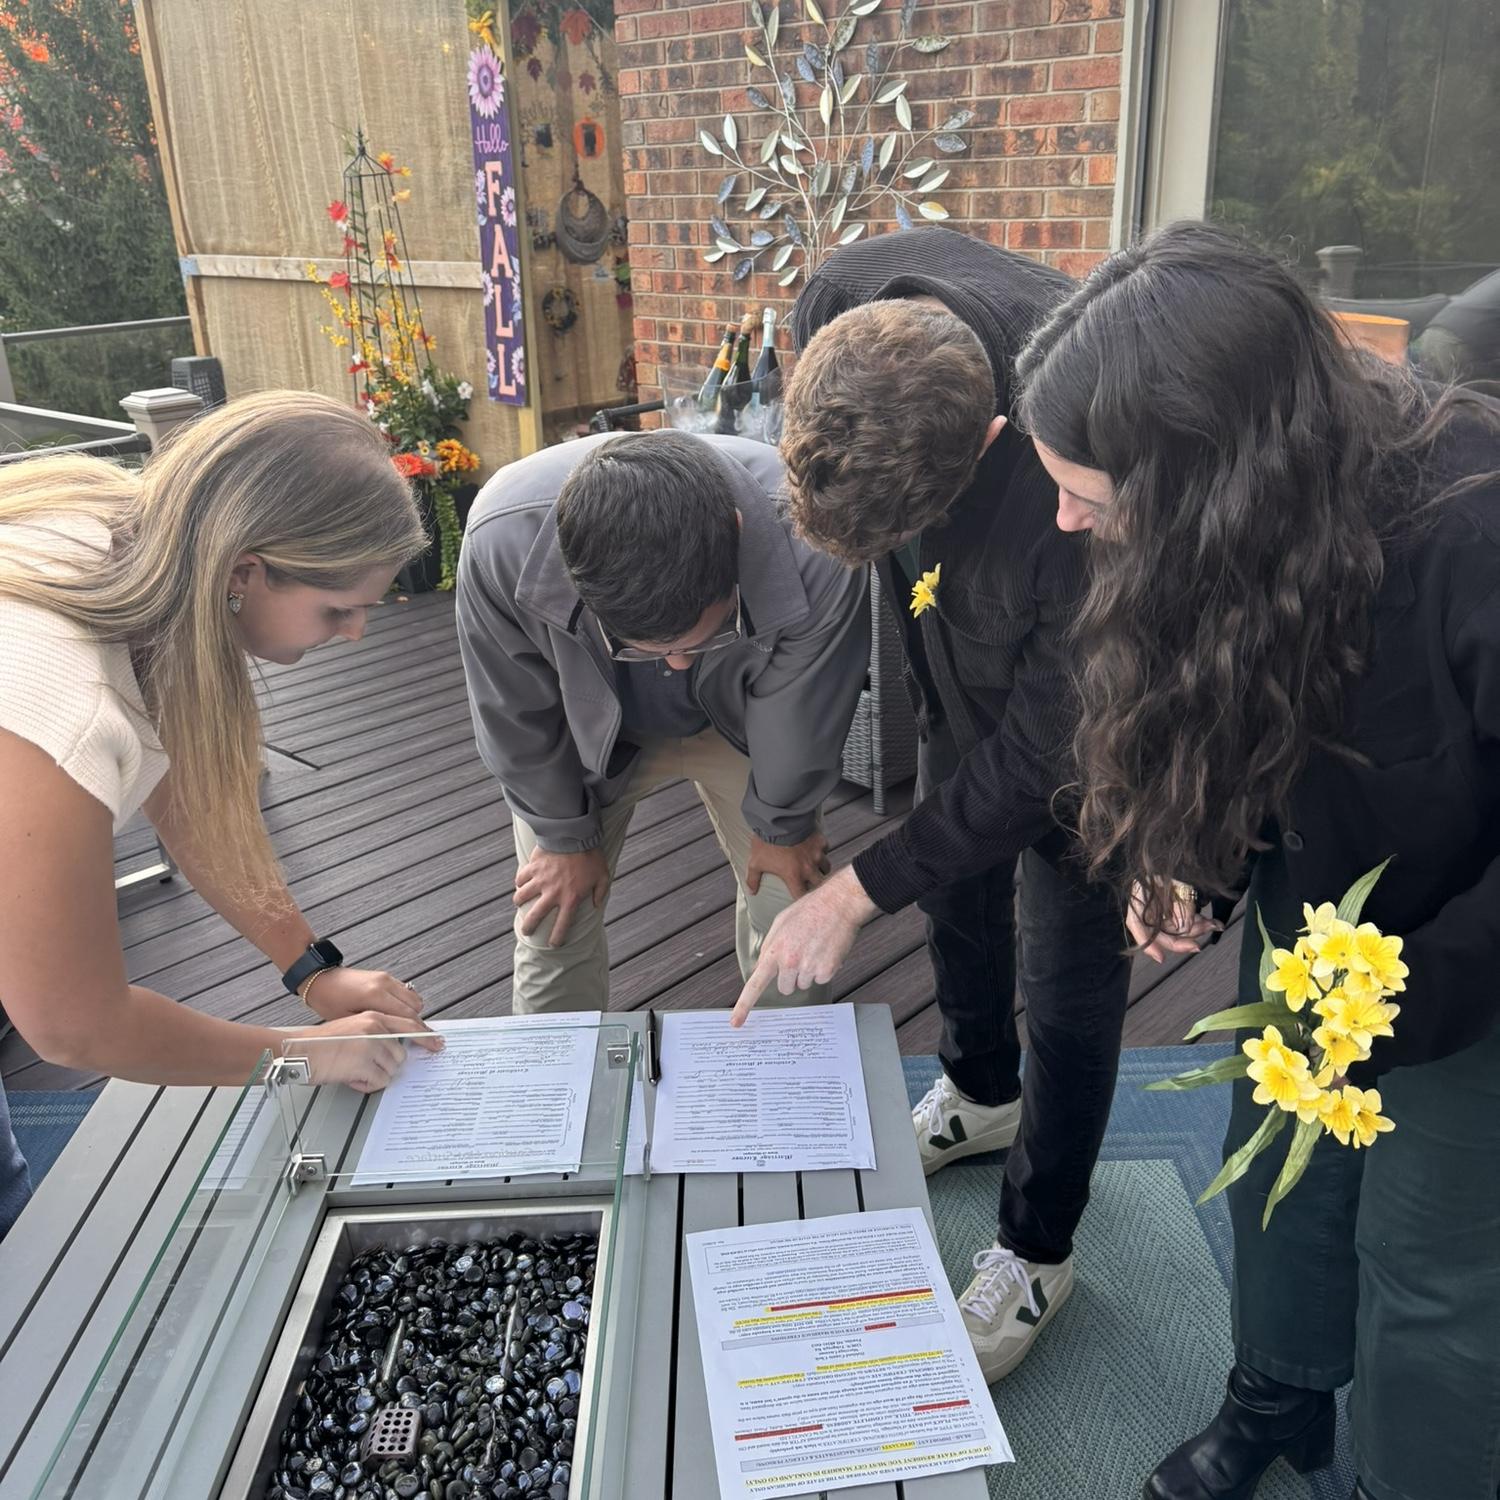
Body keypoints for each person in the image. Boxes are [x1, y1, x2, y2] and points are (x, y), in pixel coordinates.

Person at [1013, 220, 1500, 1500]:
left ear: (1208, 474)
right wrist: (1201, 861)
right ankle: (1277, 1398)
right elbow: (1234, 716)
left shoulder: (1475, 532)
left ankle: (1410, 1476)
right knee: (1282, 1188)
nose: (1063, 519)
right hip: (1320, 921)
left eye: (1088, 492)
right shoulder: (1233, 524)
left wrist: (1419, 994)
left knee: (1432, 1256)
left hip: (1472, 960)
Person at [732, 228, 1135, 1383]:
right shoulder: (841, 303)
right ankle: (977, 1085)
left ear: (994, 444)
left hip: (1091, 687)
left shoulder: (1084, 462)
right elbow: (966, 768)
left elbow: (1044, 746)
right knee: (953, 857)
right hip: (951, 607)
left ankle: (1039, 1249)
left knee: (1067, 955)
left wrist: (855, 893)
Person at [0, 392, 445, 1241]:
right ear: (246, 573)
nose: (354, 635)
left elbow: (189, 794)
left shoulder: (140, 546)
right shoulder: (60, 698)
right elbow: (71, 1022)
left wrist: (310, 970)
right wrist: (301, 1053)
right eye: (336, 609)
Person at [454, 429, 869, 1013]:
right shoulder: (501, 540)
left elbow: (805, 703)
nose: (676, 662)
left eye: (701, 637)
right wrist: (561, 834)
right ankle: (558, 1091)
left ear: (737, 538)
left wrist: (783, 825)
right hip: (585, 729)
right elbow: (512, 708)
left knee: (788, 905)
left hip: (752, 723)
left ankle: (785, 1082)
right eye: (645, 646)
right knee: (552, 922)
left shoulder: (813, 533)